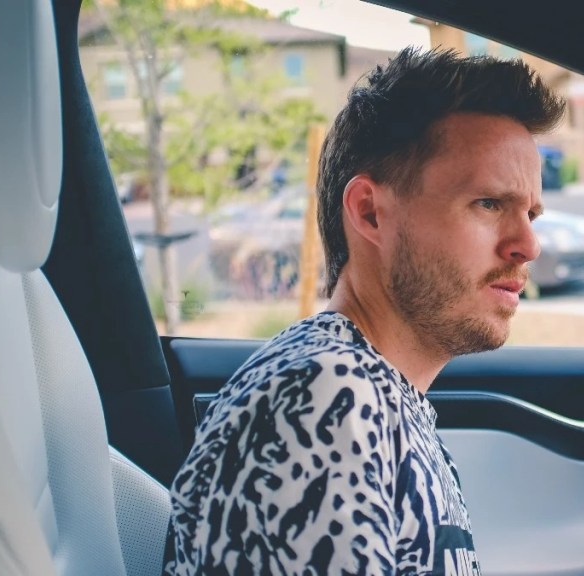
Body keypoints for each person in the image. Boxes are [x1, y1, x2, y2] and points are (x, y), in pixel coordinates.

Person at [166, 47, 564, 575]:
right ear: (370, 213)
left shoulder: (376, 395)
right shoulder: (322, 400)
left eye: (531, 212)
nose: (528, 245)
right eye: (488, 203)